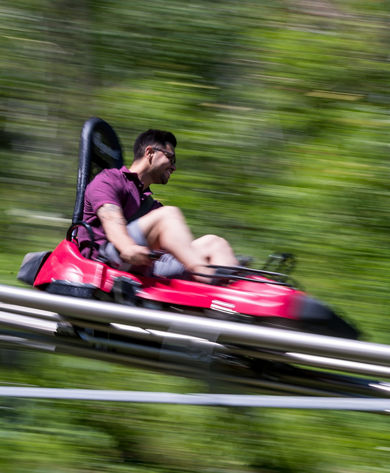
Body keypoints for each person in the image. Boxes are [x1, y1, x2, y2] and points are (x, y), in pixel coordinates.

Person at [78, 129, 237, 281]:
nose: (174, 167)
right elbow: (111, 221)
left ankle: (233, 293)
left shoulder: (151, 205)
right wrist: (128, 248)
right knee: (169, 215)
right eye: (170, 158)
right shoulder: (109, 180)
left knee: (215, 244)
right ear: (150, 152)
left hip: (144, 265)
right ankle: (206, 275)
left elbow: (175, 248)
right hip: (103, 260)